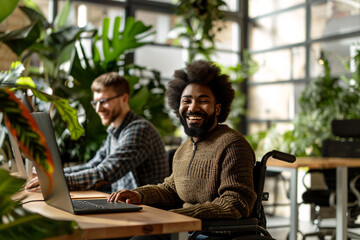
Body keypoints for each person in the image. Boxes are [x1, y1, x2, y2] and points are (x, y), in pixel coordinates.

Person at [108, 60, 257, 239]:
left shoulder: (232, 145)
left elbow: (235, 203)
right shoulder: (184, 148)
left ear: (217, 108)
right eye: (186, 101)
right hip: (184, 229)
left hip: (213, 234)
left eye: (203, 101)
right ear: (178, 107)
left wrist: (178, 217)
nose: (193, 108)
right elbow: (172, 189)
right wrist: (139, 194)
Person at [26, 72, 168, 193]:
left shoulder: (139, 130)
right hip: (128, 207)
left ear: (124, 99)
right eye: (96, 103)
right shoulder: (115, 132)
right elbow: (93, 166)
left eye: (104, 101)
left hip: (149, 212)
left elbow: (106, 172)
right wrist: (50, 174)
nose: (98, 109)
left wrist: (56, 180)